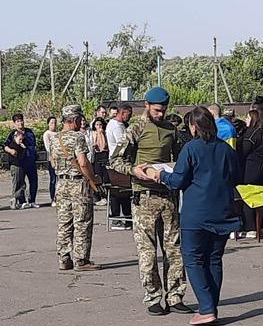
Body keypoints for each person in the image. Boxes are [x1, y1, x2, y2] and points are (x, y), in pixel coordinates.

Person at [150, 107, 240, 326]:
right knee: (214, 259)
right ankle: (210, 306)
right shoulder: (227, 150)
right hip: (223, 211)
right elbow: (235, 177)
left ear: (193, 126)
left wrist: (159, 174)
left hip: (196, 213)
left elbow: (177, 181)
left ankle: (207, 308)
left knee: (193, 259)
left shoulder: (191, 148)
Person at [116, 86, 188, 314]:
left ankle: (175, 296)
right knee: (147, 251)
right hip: (144, 197)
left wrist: (176, 171)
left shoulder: (170, 129)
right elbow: (115, 159)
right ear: (146, 105)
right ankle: (153, 297)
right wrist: (133, 170)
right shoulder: (136, 129)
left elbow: (181, 158)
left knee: (174, 250)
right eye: (157, 110)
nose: (161, 113)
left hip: (168, 196)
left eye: (164, 110)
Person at [53, 106, 99, 271]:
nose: (82, 122)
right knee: (82, 222)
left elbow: (52, 162)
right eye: (79, 119)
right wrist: (92, 178)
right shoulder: (78, 138)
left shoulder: (54, 138)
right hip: (78, 184)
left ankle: (64, 258)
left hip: (61, 184)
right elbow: (83, 162)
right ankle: (81, 259)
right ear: (73, 120)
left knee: (64, 222)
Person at [239, 98, 263, 241]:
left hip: (252, 167)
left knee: (249, 195)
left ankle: (251, 227)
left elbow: (244, 151)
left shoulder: (252, 134)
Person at [105, 102, 133, 230]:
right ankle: (118, 218)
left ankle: (127, 218)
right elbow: (122, 143)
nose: (130, 117)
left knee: (123, 191)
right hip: (118, 160)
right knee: (120, 190)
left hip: (120, 159)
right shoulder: (116, 126)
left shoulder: (119, 124)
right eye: (128, 114)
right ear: (122, 113)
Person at [4, 113, 37, 209]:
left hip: (30, 160)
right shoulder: (12, 134)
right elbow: (5, 146)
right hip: (19, 162)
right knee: (20, 183)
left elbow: (33, 144)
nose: (20, 123)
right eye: (18, 121)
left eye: (21, 120)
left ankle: (32, 200)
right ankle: (21, 201)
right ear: (14, 123)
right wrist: (11, 151)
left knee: (33, 181)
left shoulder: (29, 132)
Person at [42, 116, 61, 205]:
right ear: (48, 124)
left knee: (60, 179)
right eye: (52, 123)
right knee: (53, 179)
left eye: (55, 122)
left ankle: (59, 197)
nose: (54, 124)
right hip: (52, 159)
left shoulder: (58, 133)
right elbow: (48, 148)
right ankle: (52, 198)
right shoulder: (47, 134)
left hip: (60, 159)